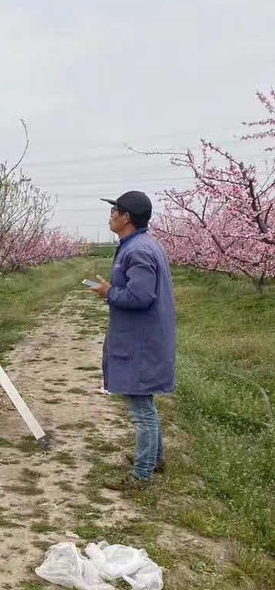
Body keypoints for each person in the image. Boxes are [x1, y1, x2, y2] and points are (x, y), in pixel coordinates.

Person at [88, 191, 176, 490]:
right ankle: (155, 459)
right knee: (145, 402)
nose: (111, 215)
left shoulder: (138, 250)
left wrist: (108, 292)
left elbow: (140, 296)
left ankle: (142, 475)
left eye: (116, 210)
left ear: (127, 217)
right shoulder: (140, 245)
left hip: (141, 341)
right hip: (144, 336)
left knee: (142, 409)